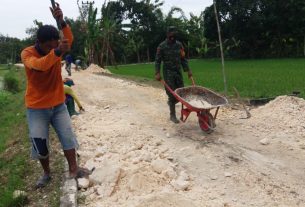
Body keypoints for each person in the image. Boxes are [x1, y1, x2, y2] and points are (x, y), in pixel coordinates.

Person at [21, 3, 80, 188]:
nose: (50, 49)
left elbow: (69, 38)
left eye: (53, 46)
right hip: (36, 107)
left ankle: (73, 170)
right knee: (40, 144)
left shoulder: (55, 48)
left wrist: (61, 20)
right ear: (39, 43)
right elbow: (40, 65)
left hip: (58, 104)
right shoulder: (27, 53)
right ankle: (46, 173)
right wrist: (57, 51)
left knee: (68, 137)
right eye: (48, 47)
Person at [155, 26, 192, 123]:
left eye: (174, 35)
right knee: (172, 94)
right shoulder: (161, 46)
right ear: (167, 34)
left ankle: (180, 110)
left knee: (181, 92)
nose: (172, 37)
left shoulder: (179, 45)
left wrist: (188, 70)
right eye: (171, 35)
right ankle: (172, 115)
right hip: (168, 73)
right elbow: (157, 61)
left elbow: (183, 59)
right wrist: (157, 73)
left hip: (178, 72)